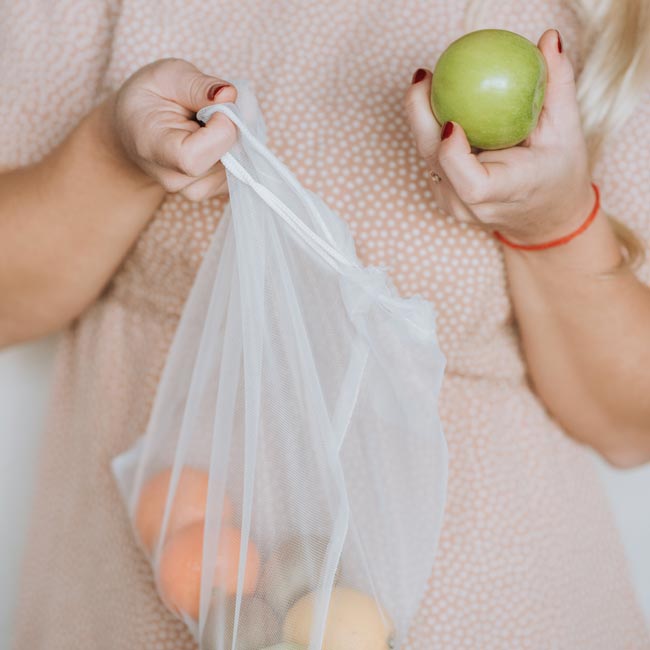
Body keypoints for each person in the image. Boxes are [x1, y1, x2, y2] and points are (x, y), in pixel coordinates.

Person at [1, 0, 649, 647]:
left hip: (492, 612)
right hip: (126, 597)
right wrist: (114, 157)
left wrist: (554, 224)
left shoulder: (609, 20)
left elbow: (630, 425)